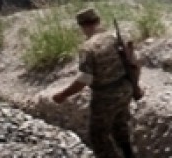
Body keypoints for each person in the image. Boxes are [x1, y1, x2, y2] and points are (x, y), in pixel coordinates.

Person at [52, 8, 142, 158]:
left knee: (98, 136)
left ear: (82, 26)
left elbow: (84, 79)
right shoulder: (117, 38)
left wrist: (62, 95)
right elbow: (135, 64)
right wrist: (135, 86)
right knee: (120, 126)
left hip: (105, 96)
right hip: (125, 89)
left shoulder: (88, 48)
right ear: (98, 20)